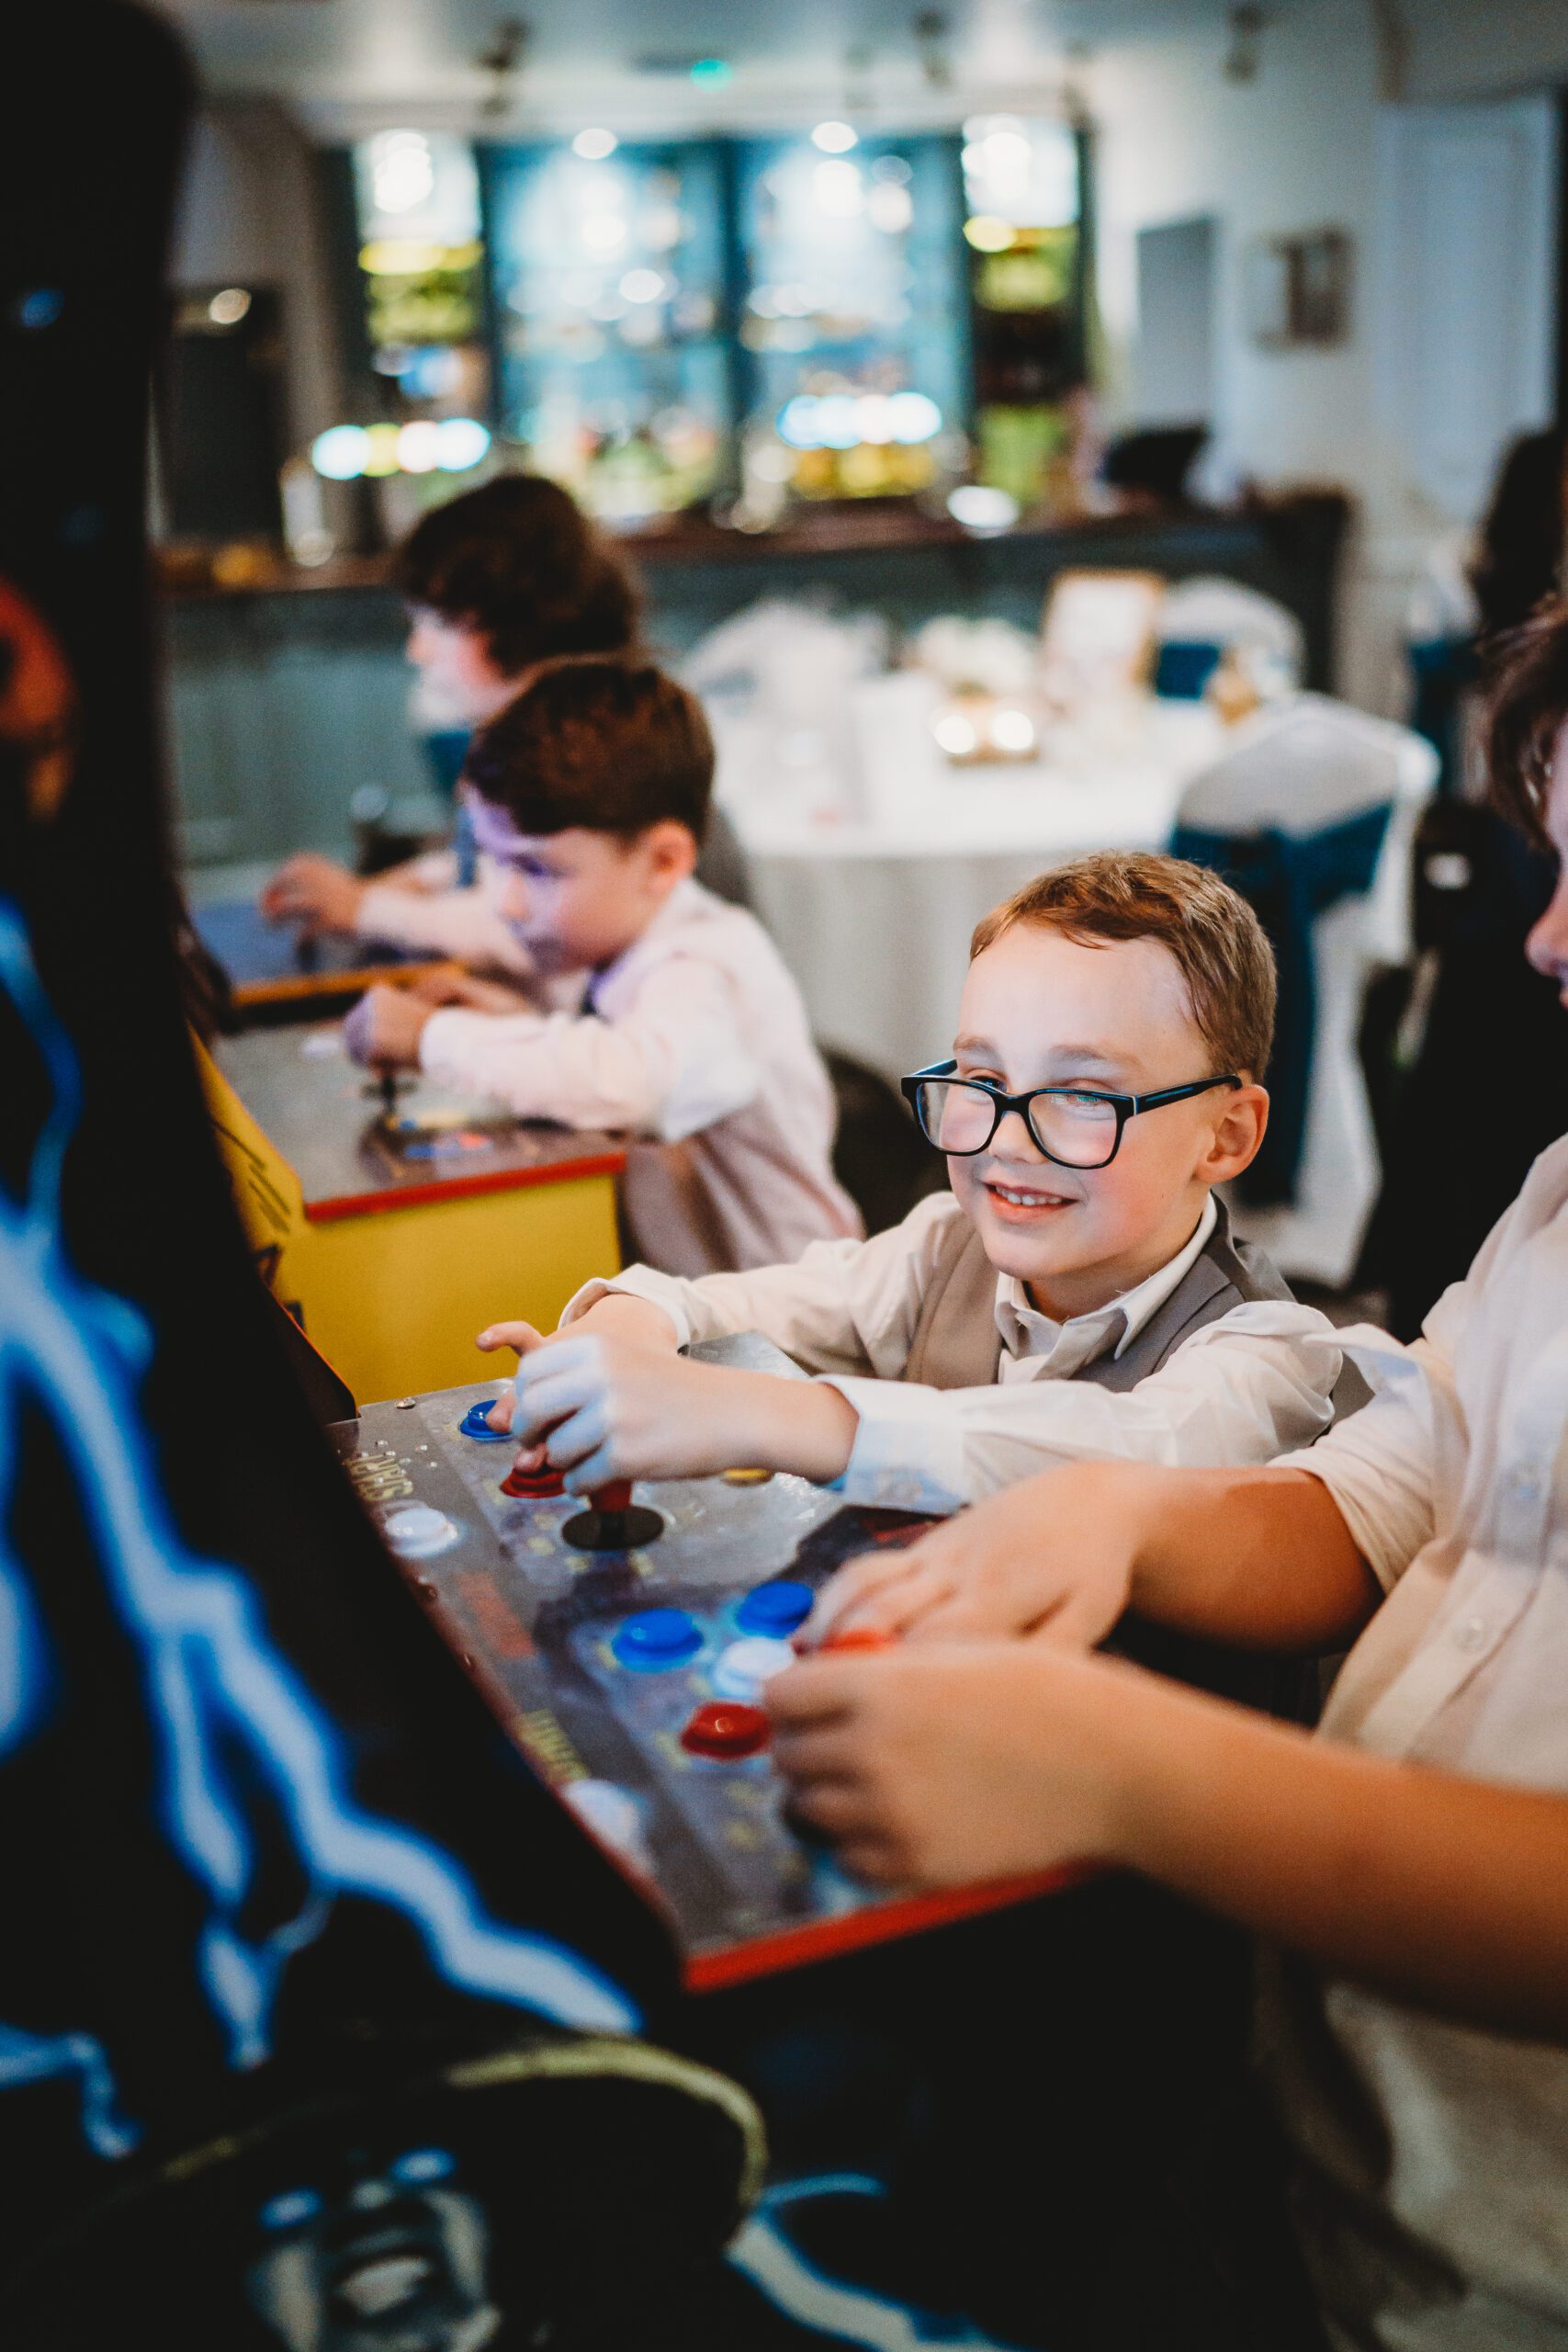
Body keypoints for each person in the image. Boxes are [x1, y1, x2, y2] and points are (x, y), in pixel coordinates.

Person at [767, 605, 1568, 2351]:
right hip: (1327, 2130)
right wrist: (1112, 1509)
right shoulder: (1559, 1197)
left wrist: (1121, 1773)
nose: (1544, 940)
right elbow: (1388, 1482)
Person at [479, 852, 1344, 1510]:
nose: (1009, 1140)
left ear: (1225, 1136)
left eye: (1082, 1095)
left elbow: (1128, 1453)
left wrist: (761, 1415)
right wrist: (634, 1324)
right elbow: (750, 1302)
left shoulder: (1269, 1354)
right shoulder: (943, 1247)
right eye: (980, 1079)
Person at [343, 657, 858, 1277]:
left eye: (536, 870)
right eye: (493, 860)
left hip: (791, 1331)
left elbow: (632, 1081)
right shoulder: (620, 941)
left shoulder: (706, 962)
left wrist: (431, 1038)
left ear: (663, 861)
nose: (504, 901)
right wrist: (515, 1016)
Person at [257, 473, 748, 977]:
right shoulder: (553, 731)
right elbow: (501, 866)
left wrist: (366, 909)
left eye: (441, 622)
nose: (418, 650)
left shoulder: (599, 750)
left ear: (520, 618)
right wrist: (403, 884)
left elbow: (535, 925)